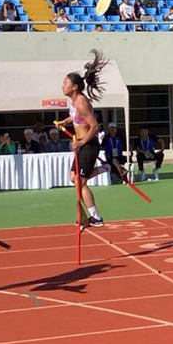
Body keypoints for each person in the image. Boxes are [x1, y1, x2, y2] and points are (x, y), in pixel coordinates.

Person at [55, 50, 111, 228]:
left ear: (74, 87)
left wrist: (81, 142)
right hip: (80, 145)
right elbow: (77, 117)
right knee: (73, 177)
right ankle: (106, 167)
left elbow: (94, 126)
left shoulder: (81, 101)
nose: (62, 86)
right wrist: (65, 121)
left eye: (65, 83)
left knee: (80, 181)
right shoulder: (74, 103)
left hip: (88, 144)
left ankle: (96, 217)